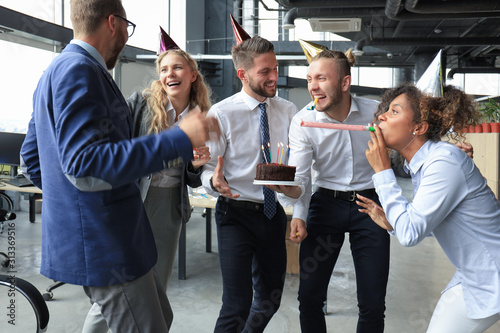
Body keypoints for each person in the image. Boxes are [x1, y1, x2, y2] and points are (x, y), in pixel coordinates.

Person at [20, 1, 218, 332]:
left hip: (114, 233)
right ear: (113, 23)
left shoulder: (63, 70)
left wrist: (73, 207)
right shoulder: (80, 72)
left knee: (161, 316)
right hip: (107, 240)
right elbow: (85, 166)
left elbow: (31, 158)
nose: (127, 36)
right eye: (128, 27)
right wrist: (178, 139)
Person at [82, 47, 213, 331]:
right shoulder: (140, 103)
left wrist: (195, 165)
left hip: (170, 207)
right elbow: (117, 149)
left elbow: (191, 179)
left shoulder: (198, 114)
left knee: (156, 288)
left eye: (177, 68)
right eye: (164, 69)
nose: (170, 74)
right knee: (119, 285)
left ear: (192, 75)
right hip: (134, 202)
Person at [357, 83, 500, 333]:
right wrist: (392, 223)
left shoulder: (443, 161)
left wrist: (382, 171)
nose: (381, 116)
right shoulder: (428, 162)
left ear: (419, 128)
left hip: (491, 273)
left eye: (394, 111)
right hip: (477, 272)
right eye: (386, 110)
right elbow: (426, 225)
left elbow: (411, 234)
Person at [281, 49, 390, 332]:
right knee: (309, 296)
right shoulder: (303, 121)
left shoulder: (375, 113)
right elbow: (301, 177)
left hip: (370, 204)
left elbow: (406, 149)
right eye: (309, 79)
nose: (313, 86)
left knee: (373, 301)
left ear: (344, 83)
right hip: (326, 203)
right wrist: (299, 215)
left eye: (321, 78)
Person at [201, 35, 299, 332]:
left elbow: (299, 166)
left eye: (275, 68)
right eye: (265, 71)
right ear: (243, 74)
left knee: (270, 300)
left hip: (272, 214)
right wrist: (213, 180)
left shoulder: (288, 111)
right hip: (235, 214)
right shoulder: (221, 113)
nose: (274, 77)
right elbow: (207, 168)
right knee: (237, 304)